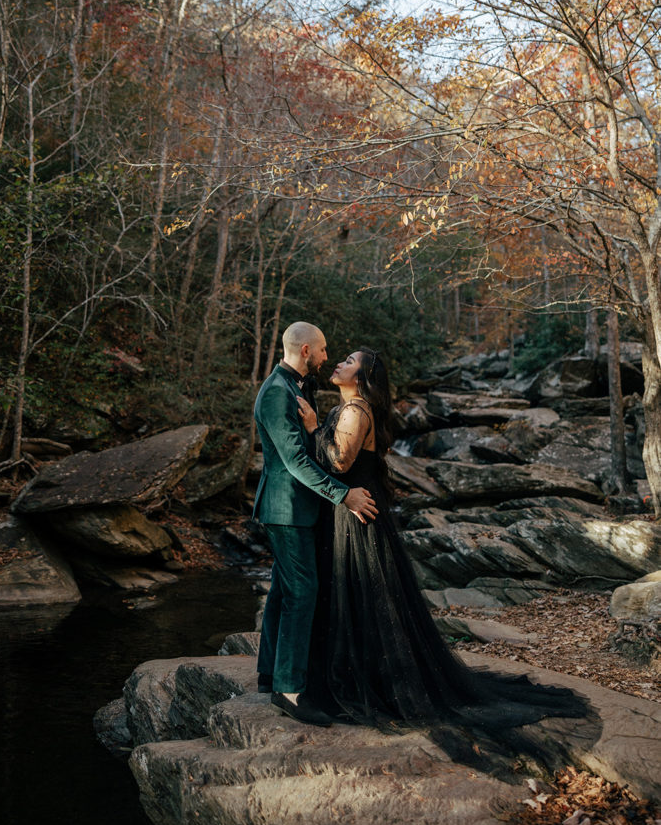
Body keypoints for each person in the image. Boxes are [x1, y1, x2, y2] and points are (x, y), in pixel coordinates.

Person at [297, 346, 597, 776]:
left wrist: (310, 428)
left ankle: (370, 682)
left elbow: (340, 462)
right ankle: (365, 673)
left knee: (364, 594)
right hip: (357, 510)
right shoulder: (351, 407)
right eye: (341, 358)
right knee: (365, 596)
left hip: (357, 514)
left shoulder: (355, 410)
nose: (340, 363)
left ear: (362, 378)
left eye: (349, 361)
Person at [253, 322, 378, 728]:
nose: (328, 357)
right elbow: (294, 462)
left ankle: (269, 673)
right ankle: (289, 691)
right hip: (286, 508)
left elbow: (315, 445)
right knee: (302, 593)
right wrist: (343, 495)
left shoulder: (299, 386)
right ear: (306, 350)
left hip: (300, 507)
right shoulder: (276, 392)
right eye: (324, 351)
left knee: (284, 591)